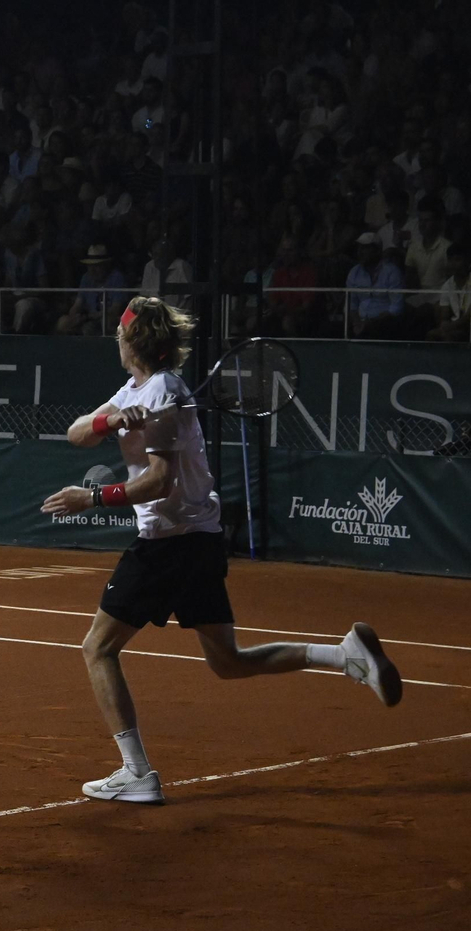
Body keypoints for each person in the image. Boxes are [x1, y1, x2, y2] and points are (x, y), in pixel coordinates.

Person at [40, 296, 403, 805]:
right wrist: (115, 421)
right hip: (200, 540)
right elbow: (76, 432)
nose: (116, 341)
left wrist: (92, 499)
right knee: (227, 662)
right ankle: (344, 655)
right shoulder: (136, 389)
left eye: (120, 334)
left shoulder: (164, 392)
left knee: (97, 648)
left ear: (132, 341)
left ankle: (136, 772)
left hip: (170, 543)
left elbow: (161, 482)